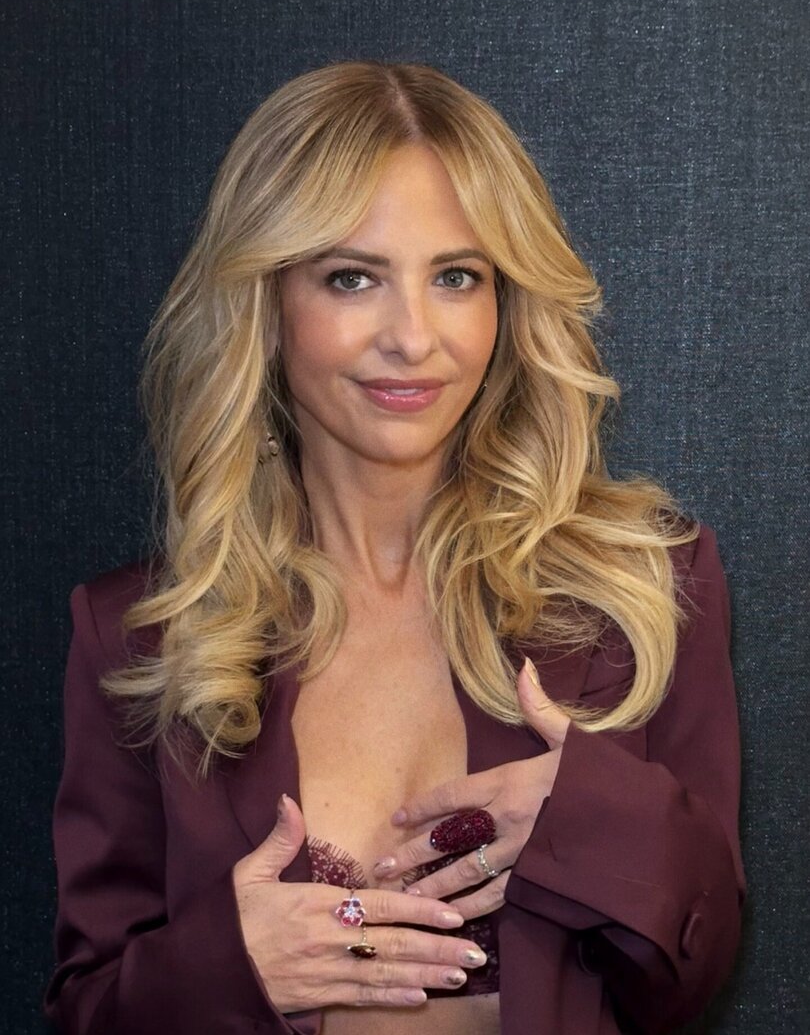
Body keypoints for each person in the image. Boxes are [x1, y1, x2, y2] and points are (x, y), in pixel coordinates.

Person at [44, 59, 745, 1035]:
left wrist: (593, 817)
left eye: (456, 277)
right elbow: (88, 1010)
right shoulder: (136, 637)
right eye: (352, 278)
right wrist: (234, 968)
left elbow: (690, 982)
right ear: (267, 304)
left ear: (505, 304)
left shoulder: (644, 588)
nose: (412, 338)